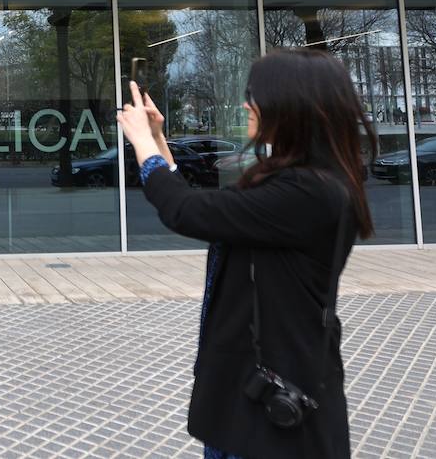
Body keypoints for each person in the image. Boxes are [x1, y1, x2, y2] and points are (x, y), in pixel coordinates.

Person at [116, 49, 374, 459]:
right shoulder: (299, 181)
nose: (246, 104)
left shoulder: (310, 191)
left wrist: (143, 143)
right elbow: (212, 214)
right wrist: (159, 141)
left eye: (254, 94)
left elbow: (185, 212)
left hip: (270, 412)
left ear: (290, 105)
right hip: (249, 397)